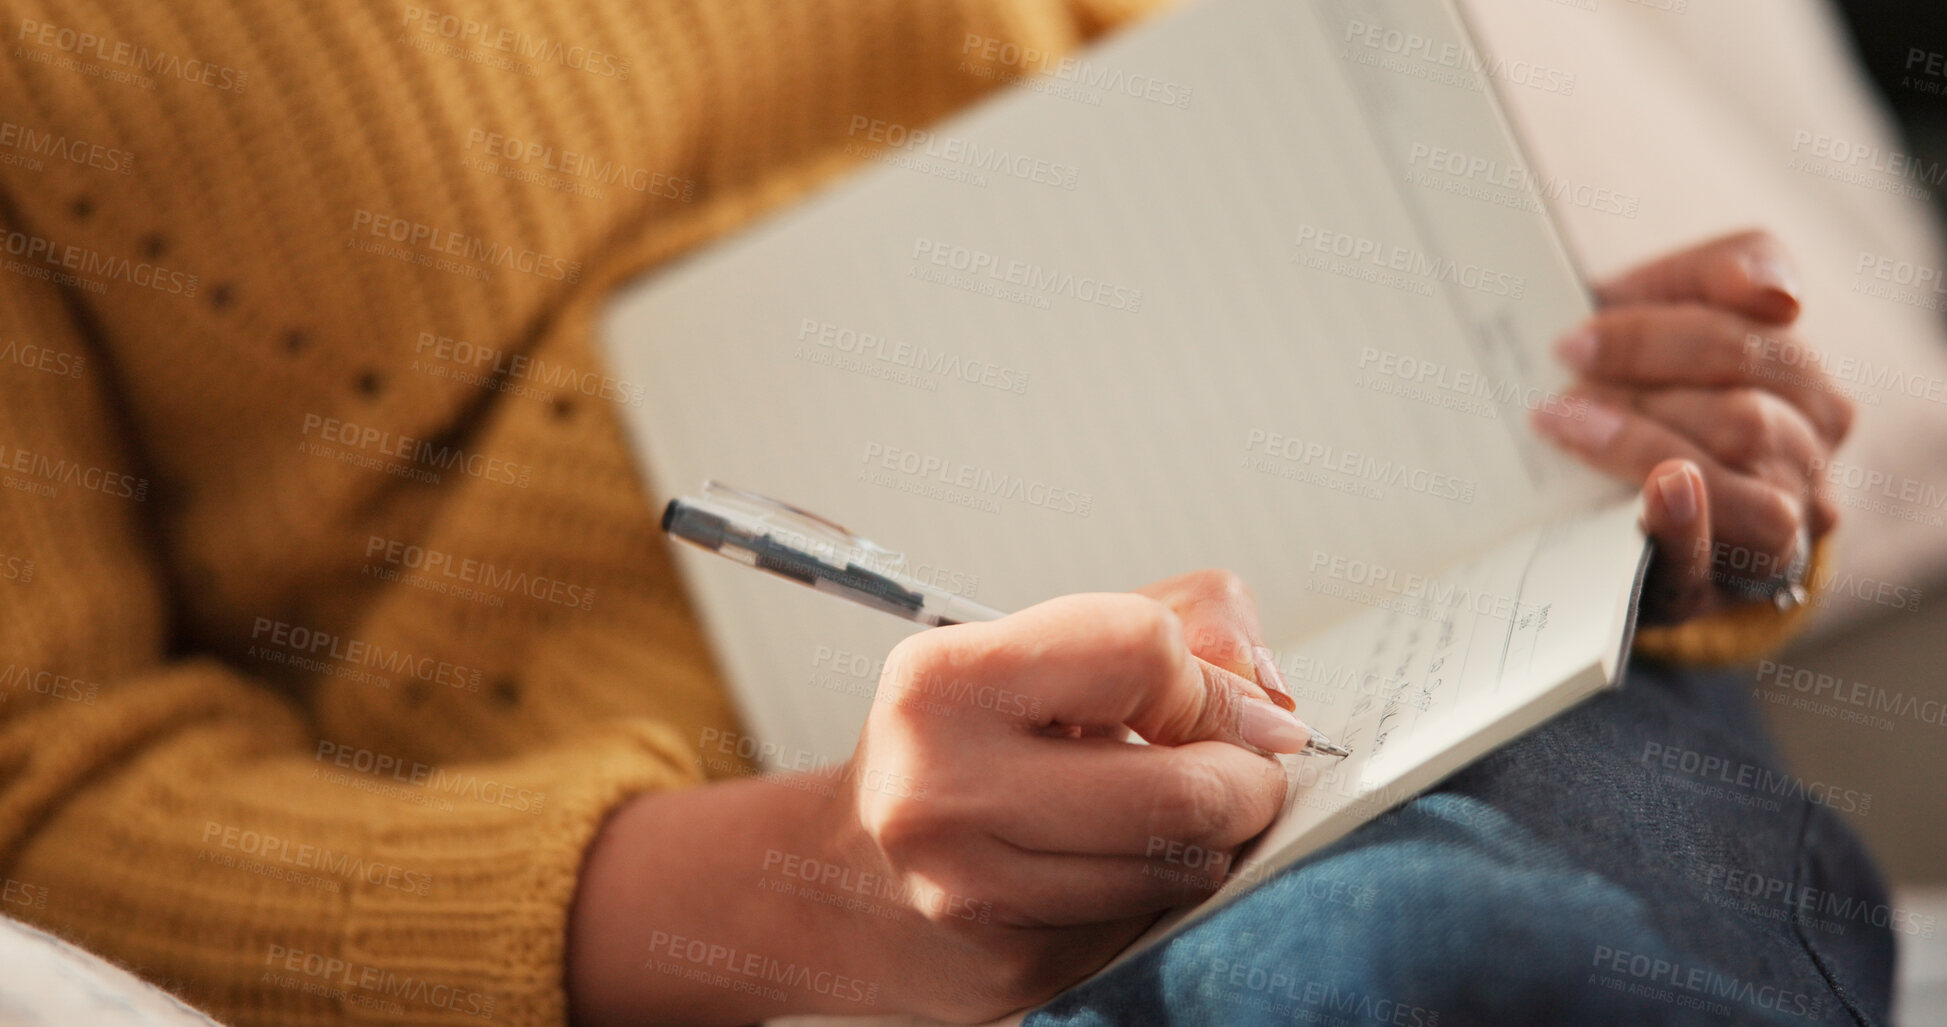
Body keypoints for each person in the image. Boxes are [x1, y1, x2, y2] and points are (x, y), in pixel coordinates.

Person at [0, 1, 1888, 1025]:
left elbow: (1242, 124)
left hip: (1391, 657)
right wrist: (810, 891)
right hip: (703, 906)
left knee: (1425, 960)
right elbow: (39, 793)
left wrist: (1587, 442)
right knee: (1407, 970)